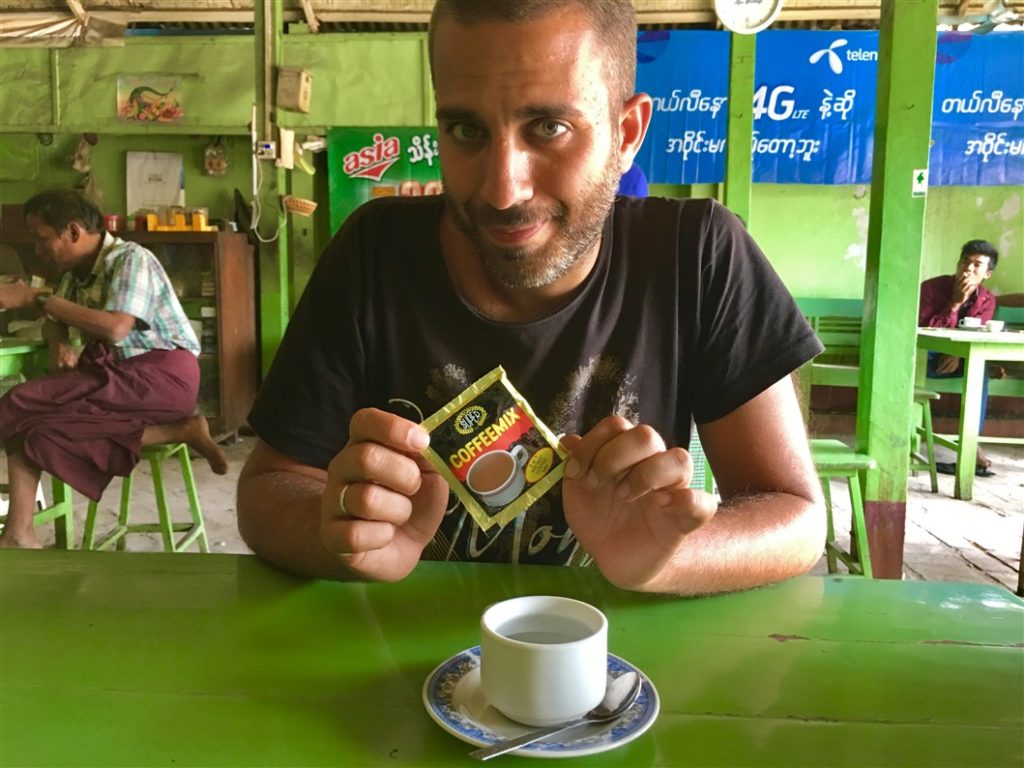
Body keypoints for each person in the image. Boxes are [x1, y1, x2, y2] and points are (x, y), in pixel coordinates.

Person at [237, 0, 826, 595]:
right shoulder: (374, 251)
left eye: (548, 128)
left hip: (616, 668)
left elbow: (797, 518)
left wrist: (668, 557)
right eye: (467, 130)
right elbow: (267, 490)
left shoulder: (697, 253)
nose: (502, 189)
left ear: (627, 135)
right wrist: (344, 535)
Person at [0, 189, 228, 549]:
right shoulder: (75, 275)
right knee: (36, 432)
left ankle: (17, 532)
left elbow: (115, 328)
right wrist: (58, 338)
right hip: (117, 377)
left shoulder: (130, 259)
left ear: (73, 232)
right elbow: (54, 318)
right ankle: (19, 531)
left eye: (43, 239)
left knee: (16, 402)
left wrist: (34, 297)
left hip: (161, 377)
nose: (39, 250)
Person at [918, 239, 999, 476]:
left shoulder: (986, 300)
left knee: (980, 369)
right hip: (926, 358)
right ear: (957, 263)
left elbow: (976, 337)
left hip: (960, 360)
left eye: (977, 265)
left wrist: (957, 355)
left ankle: (971, 444)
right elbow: (923, 331)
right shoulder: (932, 289)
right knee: (972, 365)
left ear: (987, 273)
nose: (968, 269)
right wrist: (954, 303)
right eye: (965, 261)